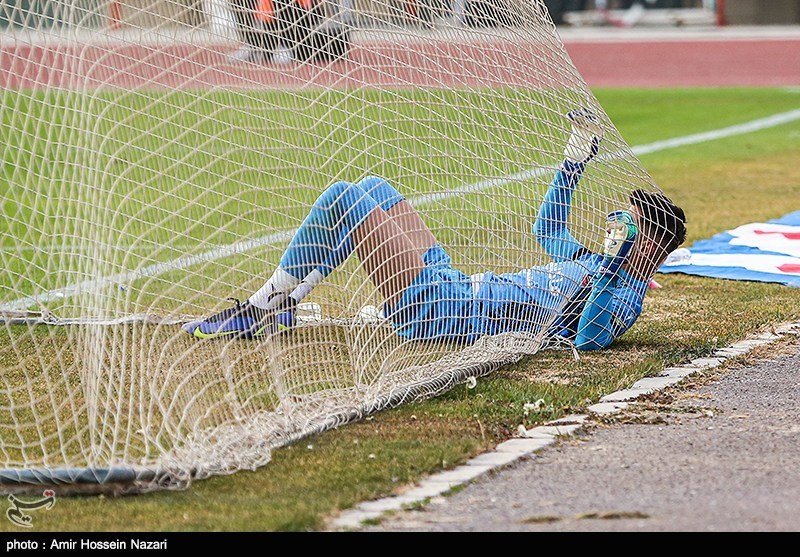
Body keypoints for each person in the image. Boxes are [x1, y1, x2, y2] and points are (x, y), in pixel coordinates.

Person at [182, 108, 687, 350]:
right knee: (374, 187)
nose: (618, 223)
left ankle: (261, 308)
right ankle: (286, 305)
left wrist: (615, 269)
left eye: (632, 222)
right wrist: (574, 160)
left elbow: (590, 339)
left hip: (440, 310)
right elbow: (548, 227)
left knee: (343, 198)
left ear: (651, 245)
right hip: (455, 284)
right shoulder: (592, 262)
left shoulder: (624, 296)